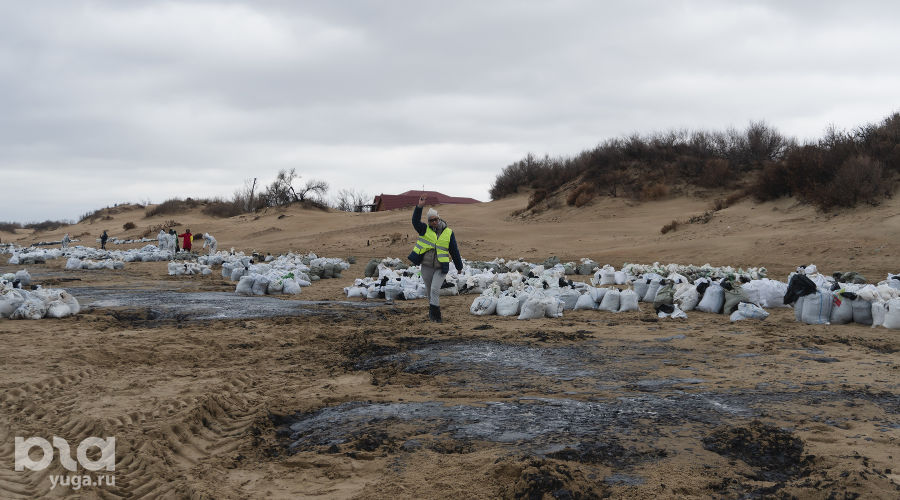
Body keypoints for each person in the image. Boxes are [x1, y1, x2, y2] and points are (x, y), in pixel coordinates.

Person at [407, 194, 463, 323]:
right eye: (431, 220)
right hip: (426, 266)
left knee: (434, 289)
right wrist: (419, 207)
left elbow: (454, 250)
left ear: (439, 219)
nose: (434, 222)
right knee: (429, 291)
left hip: (441, 267)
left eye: (436, 219)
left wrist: (459, 266)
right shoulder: (424, 230)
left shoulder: (448, 232)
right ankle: (432, 314)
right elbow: (415, 221)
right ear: (428, 222)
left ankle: (436, 317)